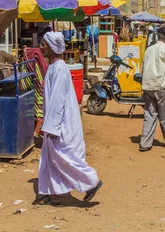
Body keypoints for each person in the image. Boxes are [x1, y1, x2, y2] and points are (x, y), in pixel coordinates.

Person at [35, 32, 102, 206]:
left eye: (44, 44)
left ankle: (91, 182)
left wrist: (51, 126)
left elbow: (57, 100)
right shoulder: (54, 67)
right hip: (55, 122)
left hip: (60, 123)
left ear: (51, 47)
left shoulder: (59, 69)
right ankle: (53, 193)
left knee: (64, 158)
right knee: (51, 157)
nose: (41, 47)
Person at [139, 27, 165, 151]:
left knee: (149, 116)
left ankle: (145, 144)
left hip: (148, 87)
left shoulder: (148, 50)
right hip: (162, 87)